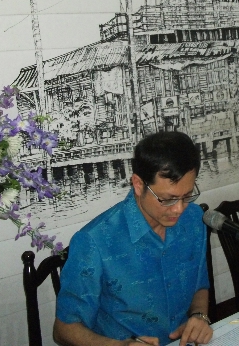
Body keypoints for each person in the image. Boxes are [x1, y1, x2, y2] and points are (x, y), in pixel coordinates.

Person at [53, 131, 213, 346]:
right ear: (138, 184)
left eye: (187, 196)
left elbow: (199, 285)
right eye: (168, 199)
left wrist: (199, 316)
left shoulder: (193, 219)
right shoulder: (94, 241)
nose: (179, 209)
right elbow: (63, 330)